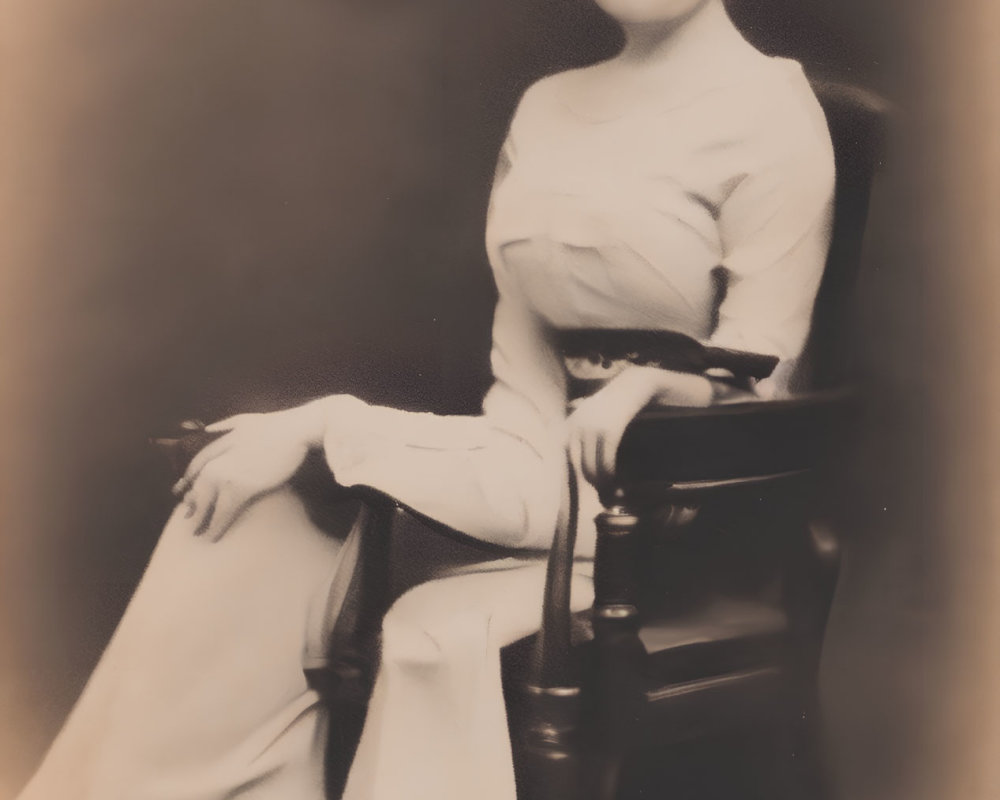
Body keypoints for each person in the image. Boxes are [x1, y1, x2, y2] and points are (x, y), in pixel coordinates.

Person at [15, 0, 835, 798]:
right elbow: (520, 377)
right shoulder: (547, 108)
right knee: (255, 505)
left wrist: (655, 390)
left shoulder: (771, 114)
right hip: (543, 474)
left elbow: (762, 377)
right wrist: (330, 437)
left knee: (395, 573)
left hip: (671, 507)